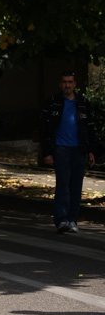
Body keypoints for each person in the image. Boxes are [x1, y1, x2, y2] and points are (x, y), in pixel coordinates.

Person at [39, 71, 97, 234]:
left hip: (78, 150)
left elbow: (90, 128)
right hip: (60, 148)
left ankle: (73, 220)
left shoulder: (83, 103)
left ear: (75, 84)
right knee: (63, 185)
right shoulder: (52, 103)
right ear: (60, 84)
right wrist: (47, 152)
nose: (67, 85)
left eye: (70, 82)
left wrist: (92, 150)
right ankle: (61, 220)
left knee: (76, 186)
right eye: (64, 82)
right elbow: (44, 130)